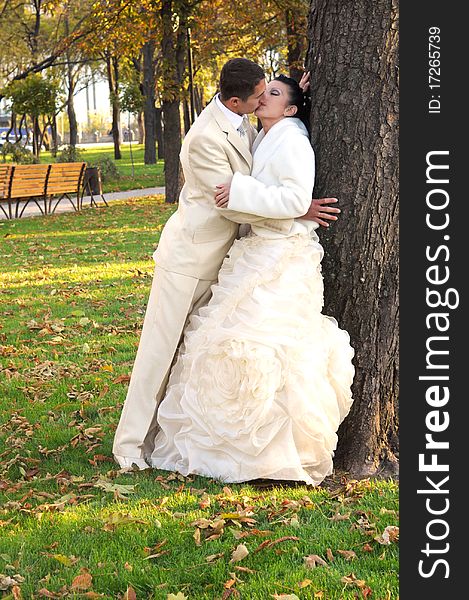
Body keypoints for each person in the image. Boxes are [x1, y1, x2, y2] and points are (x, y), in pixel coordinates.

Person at [112, 59, 340, 470]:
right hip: (190, 258)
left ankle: (159, 434)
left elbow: (267, 154)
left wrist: (296, 93)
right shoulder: (202, 139)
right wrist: (297, 211)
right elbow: (233, 206)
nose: (261, 102)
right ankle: (129, 447)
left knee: (189, 351)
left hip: (229, 260)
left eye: (269, 93)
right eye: (259, 95)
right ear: (237, 100)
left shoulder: (245, 120)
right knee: (158, 353)